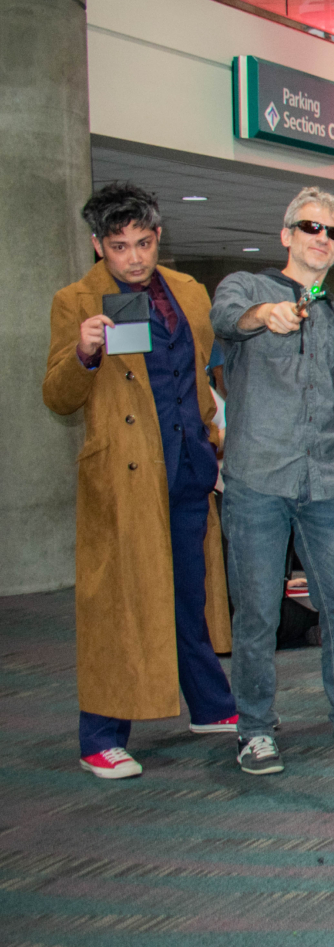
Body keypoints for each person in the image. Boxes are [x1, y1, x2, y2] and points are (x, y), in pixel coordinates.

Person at [44, 181, 235, 779]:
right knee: (119, 604)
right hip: (124, 477)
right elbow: (57, 397)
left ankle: (209, 704)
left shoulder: (188, 291)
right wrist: (83, 354)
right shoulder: (75, 301)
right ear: (98, 245)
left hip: (188, 467)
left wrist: (215, 440)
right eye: (119, 246)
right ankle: (100, 736)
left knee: (188, 594)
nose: (134, 258)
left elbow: (204, 374)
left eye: (144, 243)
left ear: (157, 237)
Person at [211, 187, 334, 775]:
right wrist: (265, 315)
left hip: (324, 481)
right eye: (311, 227)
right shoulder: (246, 287)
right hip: (258, 480)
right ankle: (255, 729)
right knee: (258, 613)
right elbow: (226, 319)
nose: (322, 239)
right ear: (287, 234)